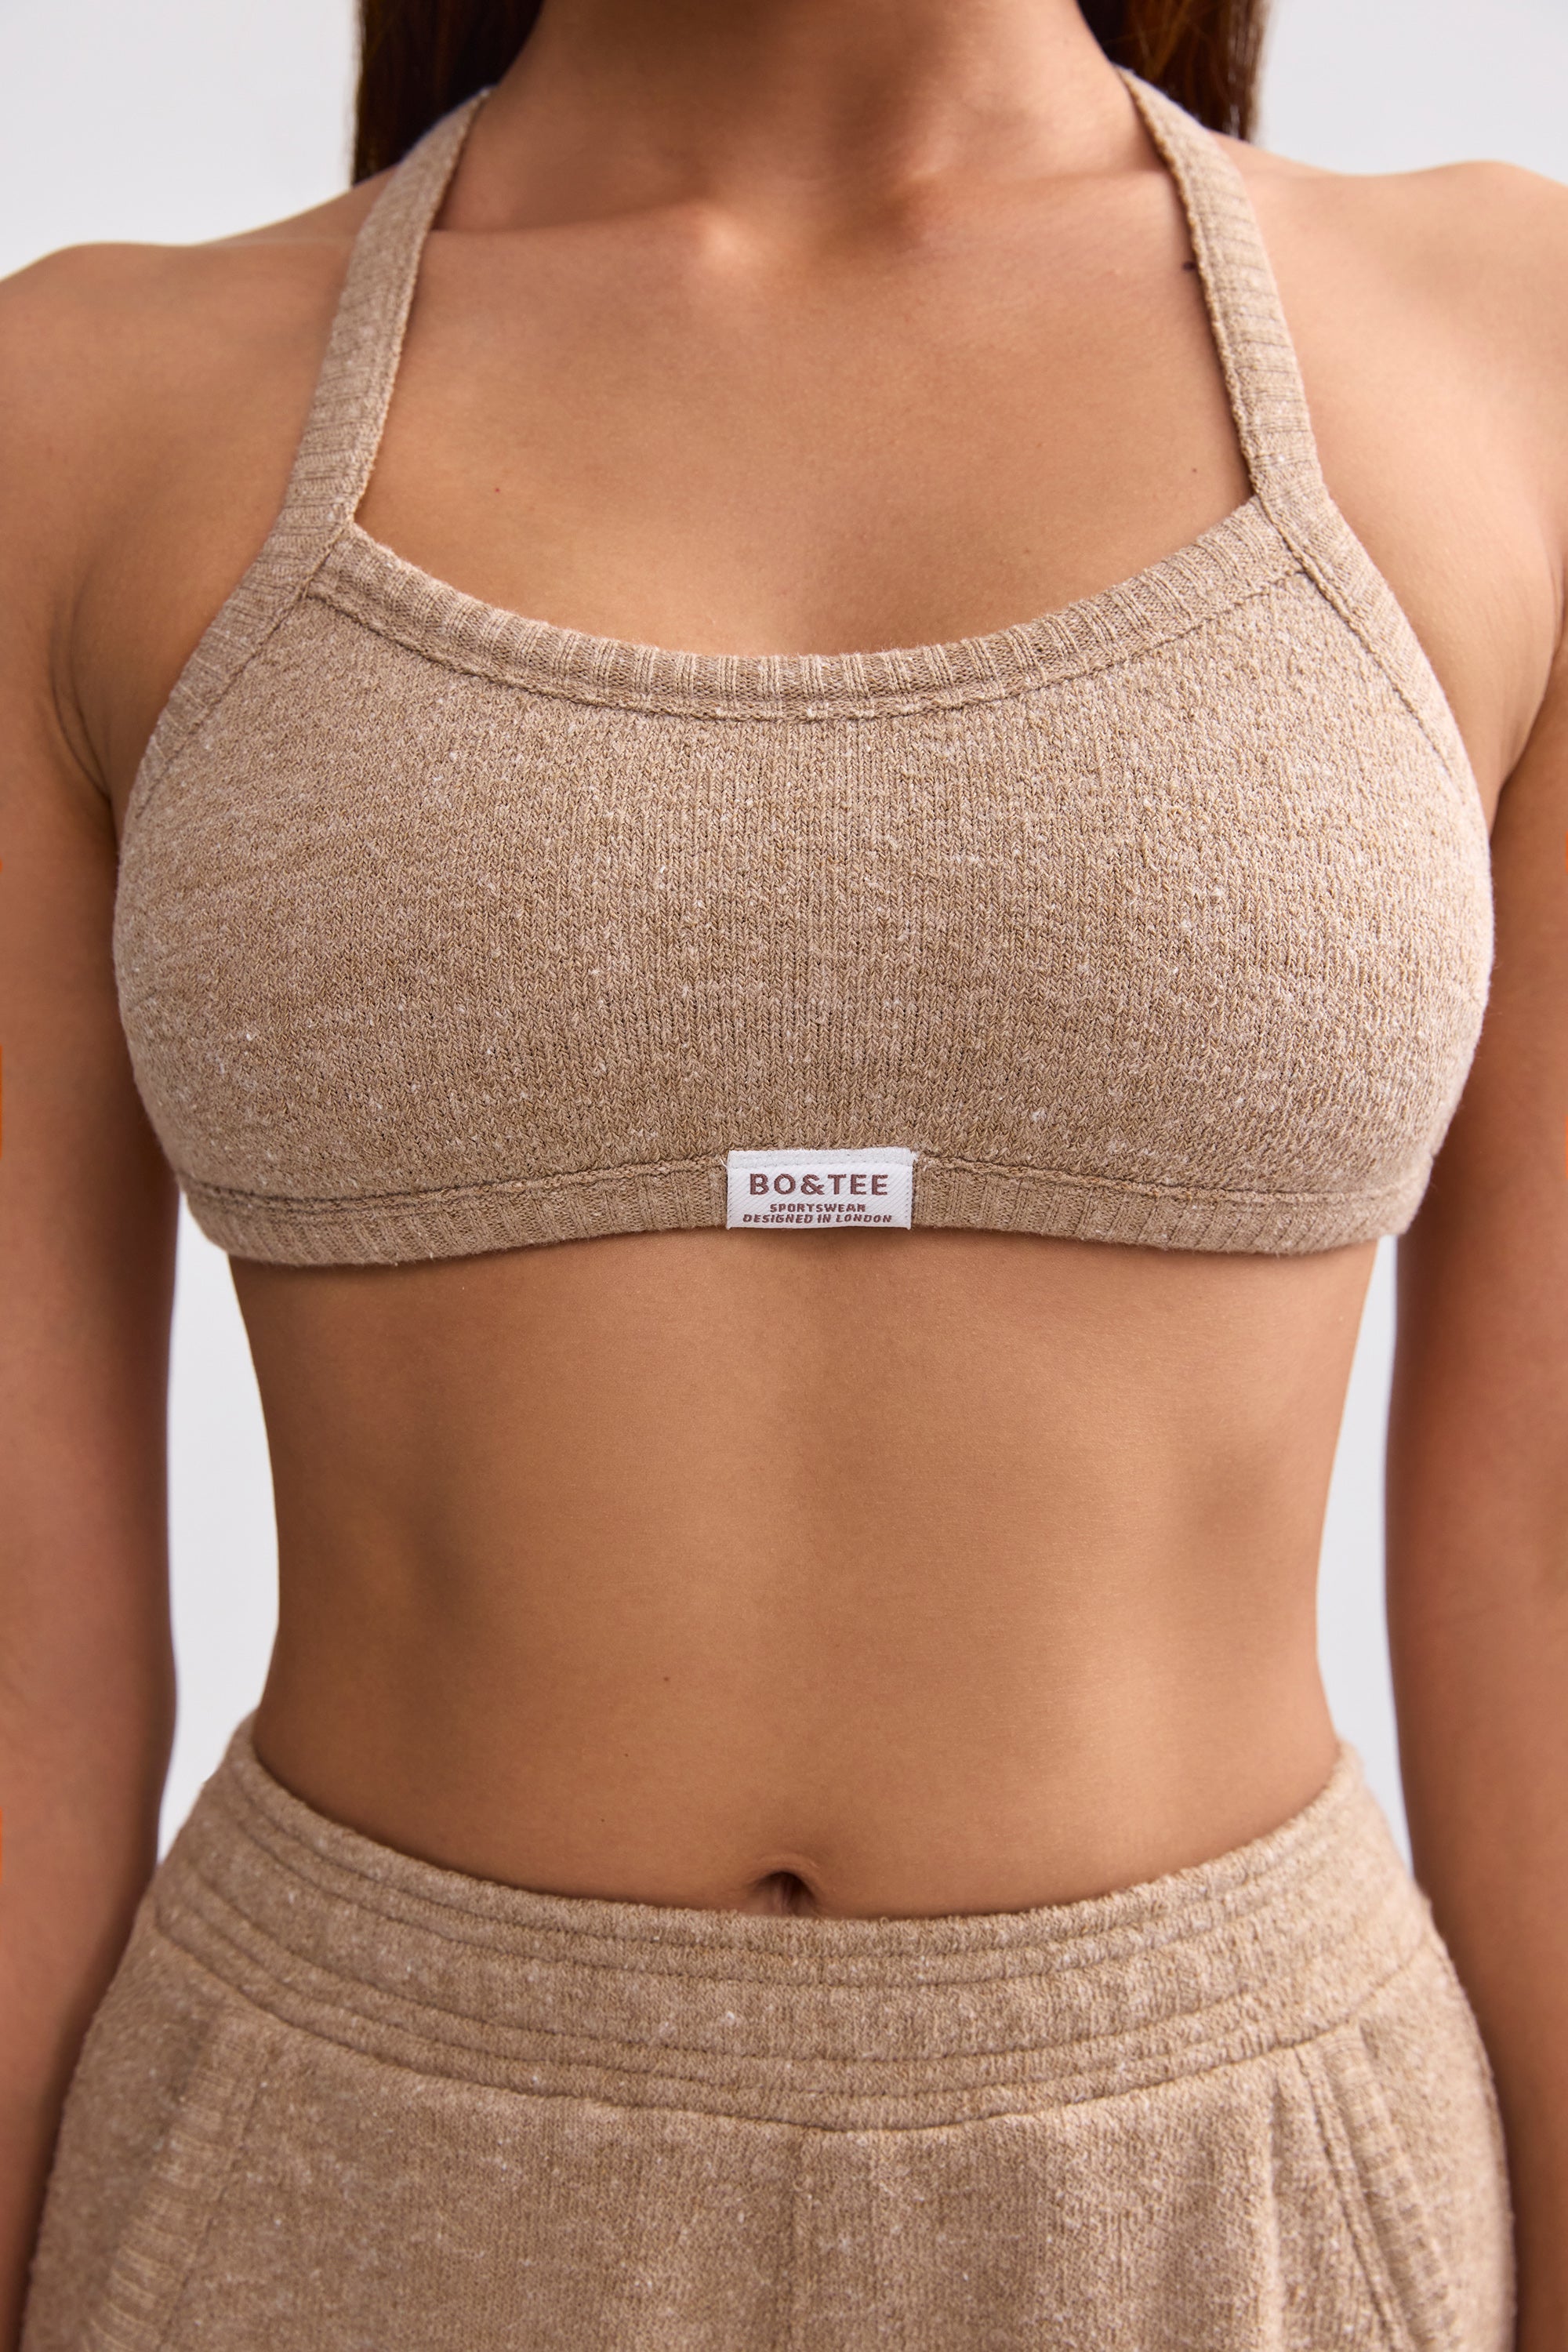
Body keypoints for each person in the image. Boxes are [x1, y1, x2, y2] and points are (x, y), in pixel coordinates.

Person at [1, 0, 1562, 2339]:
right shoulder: (84, 410)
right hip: (322, 2193)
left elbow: (1547, 1549)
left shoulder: (1507, 356)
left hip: (1232, 2211)